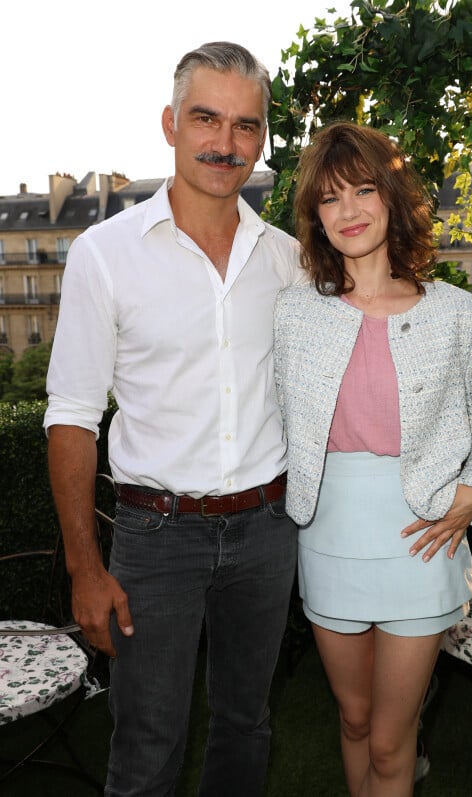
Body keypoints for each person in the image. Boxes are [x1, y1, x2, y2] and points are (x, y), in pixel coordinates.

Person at [44, 42, 303, 797]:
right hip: (155, 539)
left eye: (245, 126)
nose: (225, 143)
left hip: (267, 529)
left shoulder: (285, 258)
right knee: (149, 746)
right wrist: (84, 567)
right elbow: (71, 416)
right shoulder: (106, 254)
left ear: (261, 139)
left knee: (246, 725)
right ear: (170, 124)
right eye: (206, 118)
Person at [273, 121, 472, 797]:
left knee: (395, 738)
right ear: (316, 215)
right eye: (331, 198)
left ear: (392, 198)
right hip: (330, 534)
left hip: (423, 539)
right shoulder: (292, 314)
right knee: (355, 716)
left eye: (364, 190)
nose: (349, 211)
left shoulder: (455, 313)